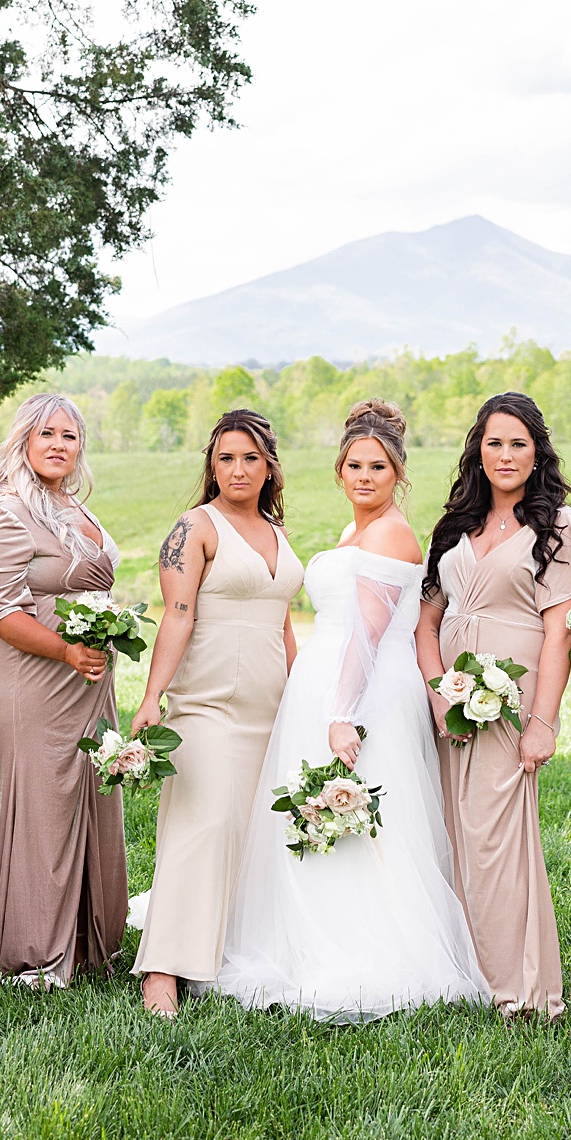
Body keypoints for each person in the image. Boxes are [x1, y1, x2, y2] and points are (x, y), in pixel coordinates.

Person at [217, 401, 488, 1021]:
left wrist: (342, 713)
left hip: (365, 689)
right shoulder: (351, 532)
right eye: (354, 465)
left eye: (379, 467)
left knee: (369, 817)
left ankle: (371, 949)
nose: (365, 476)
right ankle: (313, 933)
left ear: (398, 476)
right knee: (324, 814)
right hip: (330, 677)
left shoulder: (392, 531)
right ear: (339, 472)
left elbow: (367, 634)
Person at [416, 391, 571, 1018]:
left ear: (538, 452)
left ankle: (515, 987)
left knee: (494, 838)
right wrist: (440, 690)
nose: (505, 454)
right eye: (494, 442)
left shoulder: (557, 528)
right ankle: (460, 971)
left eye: (519, 442)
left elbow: (560, 632)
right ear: (478, 450)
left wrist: (543, 721)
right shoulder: (455, 526)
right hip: (451, 700)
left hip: (509, 697)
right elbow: (425, 621)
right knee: (450, 831)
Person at [131, 409, 304, 1017]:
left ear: (269, 468)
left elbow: (283, 623)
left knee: (253, 833)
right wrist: (153, 697)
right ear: (212, 464)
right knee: (200, 826)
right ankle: (161, 970)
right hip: (206, 703)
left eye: (251, 458)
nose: (238, 469)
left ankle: (225, 950)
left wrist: (303, 698)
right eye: (227, 457)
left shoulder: (278, 534)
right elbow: (176, 614)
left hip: (270, 706)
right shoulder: (194, 527)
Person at [0, 393, 125, 987]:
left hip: (85, 681)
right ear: (23, 441)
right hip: (31, 681)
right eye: (47, 434)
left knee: (87, 795)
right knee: (40, 806)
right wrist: (63, 649)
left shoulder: (69, 506)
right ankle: (34, 950)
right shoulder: (9, 512)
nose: (59, 445)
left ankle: (88, 943)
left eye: (69, 435)